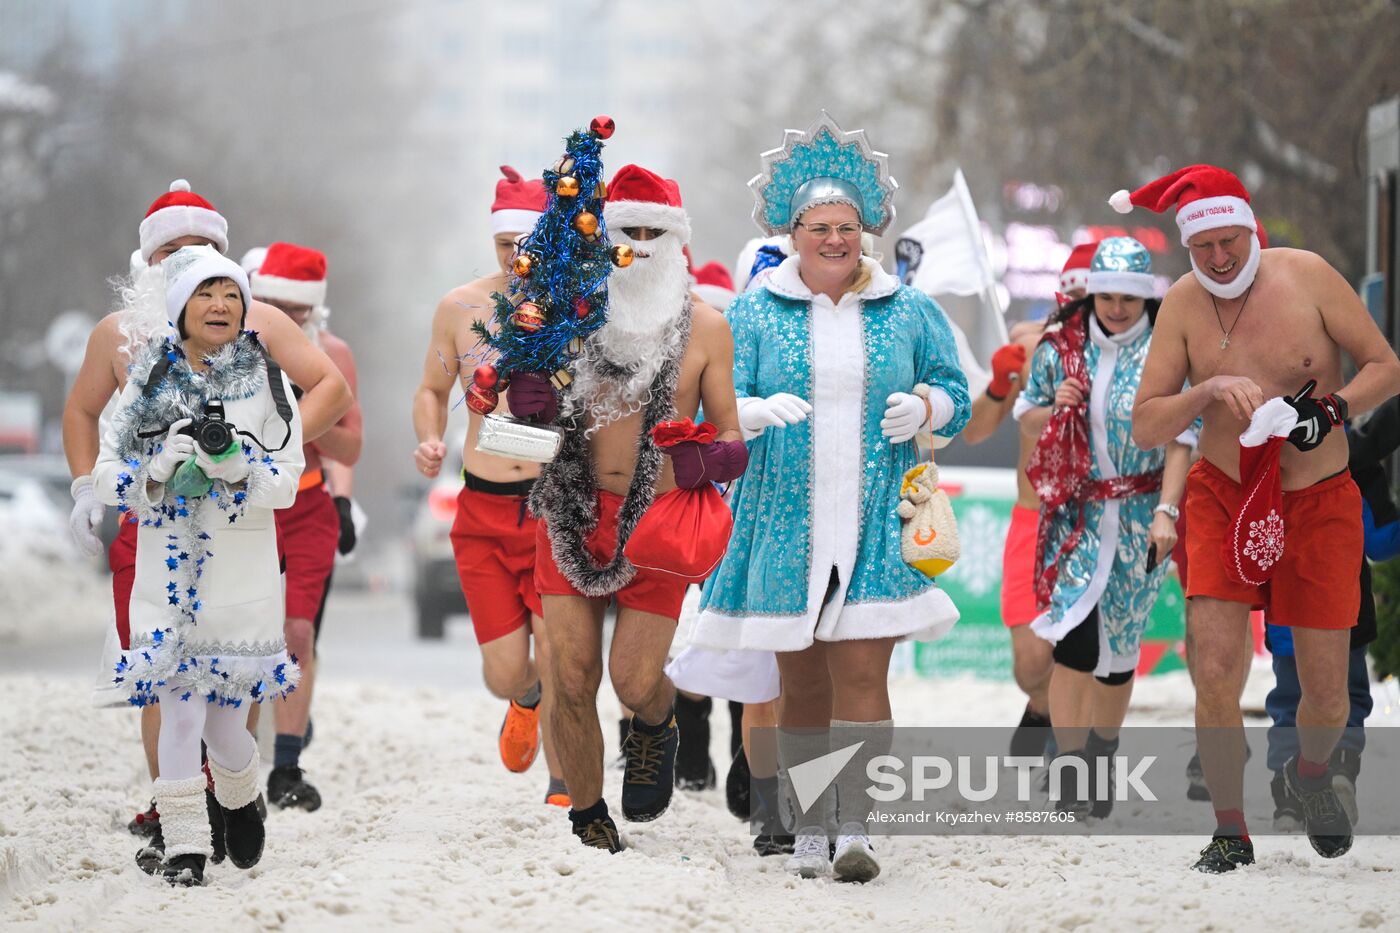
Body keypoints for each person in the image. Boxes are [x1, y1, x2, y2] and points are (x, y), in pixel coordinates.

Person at [687, 114, 971, 882]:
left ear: (864, 232)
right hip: (785, 519)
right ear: (794, 230)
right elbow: (712, 404)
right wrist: (743, 414)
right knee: (801, 680)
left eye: (847, 227)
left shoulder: (907, 309)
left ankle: (856, 824)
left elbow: (956, 389)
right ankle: (810, 823)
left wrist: (929, 407)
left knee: (863, 675)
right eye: (820, 227)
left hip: (877, 517)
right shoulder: (750, 311)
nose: (835, 241)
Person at [63, 179, 352, 868]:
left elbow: (330, 390)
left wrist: (258, 454)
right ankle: (176, 822)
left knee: (228, 678)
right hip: (153, 530)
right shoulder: (122, 335)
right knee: (165, 681)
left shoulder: (258, 327)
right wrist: (89, 487)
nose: (188, 260)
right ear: (148, 261)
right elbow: (83, 414)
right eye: (173, 251)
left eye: (203, 250)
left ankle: (233, 791)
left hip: (239, 528)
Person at [1127, 164, 1400, 871]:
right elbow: (1146, 424)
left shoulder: (1307, 275)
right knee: (1215, 666)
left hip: (1319, 498)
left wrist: (1329, 410)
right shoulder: (1183, 304)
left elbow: (1385, 365)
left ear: (1253, 228)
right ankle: (1228, 827)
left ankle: (1308, 775)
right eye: (1203, 247)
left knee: (1327, 695)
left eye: (1230, 241)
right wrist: (1208, 388)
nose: (1219, 258)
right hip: (1221, 495)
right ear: (1187, 248)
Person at [513, 164, 744, 852]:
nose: (640, 245)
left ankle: (655, 726)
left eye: (654, 232)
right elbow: (522, 409)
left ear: (676, 242)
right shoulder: (569, 317)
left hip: (661, 519)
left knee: (635, 680)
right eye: (626, 232)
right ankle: (588, 814)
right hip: (572, 508)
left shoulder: (706, 327)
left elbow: (733, 434)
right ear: (602, 239)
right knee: (571, 673)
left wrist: (709, 459)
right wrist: (528, 400)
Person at [91, 246, 305, 886]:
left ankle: (242, 796)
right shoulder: (146, 384)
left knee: (223, 722)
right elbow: (106, 476)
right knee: (179, 709)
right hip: (164, 575)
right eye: (206, 292)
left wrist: (239, 467)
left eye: (232, 293)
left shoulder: (268, 380)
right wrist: (153, 473)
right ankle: (186, 844)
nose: (221, 304)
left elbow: (289, 480)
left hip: (240, 576)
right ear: (180, 307)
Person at [1013, 237, 1191, 816]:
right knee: (1074, 640)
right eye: (1106, 297)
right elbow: (1027, 417)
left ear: (1147, 299)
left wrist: (1168, 511)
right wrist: (1056, 406)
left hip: (1141, 518)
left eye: (1129, 299)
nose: (1116, 308)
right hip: (1076, 516)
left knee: (1119, 653)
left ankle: (1102, 753)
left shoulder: (1167, 351)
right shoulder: (1060, 347)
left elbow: (1182, 439)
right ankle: (1069, 767)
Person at [412, 166, 570, 806]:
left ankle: (567, 784)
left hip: (552, 504)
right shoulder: (460, 307)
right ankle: (523, 700)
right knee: (506, 671)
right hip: (482, 507)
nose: (517, 257)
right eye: (507, 245)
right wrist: (429, 438)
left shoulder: (577, 308)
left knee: (562, 656)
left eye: (529, 245)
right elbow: (431, 388)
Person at [962, 241, 1100, 756]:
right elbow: (975, 433)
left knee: (1089, 655)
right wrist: (999, 385)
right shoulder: (1027, 346)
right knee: (1031, 663)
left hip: (1095, 521)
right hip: (1033, 520)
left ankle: (1075, 755)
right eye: (1078, 297)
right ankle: (1040, 707)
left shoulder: (1136, 356)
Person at [250, 242, 363, 810]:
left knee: (298, 634)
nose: (283, 319)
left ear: (312, 311)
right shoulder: (235, 343)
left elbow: (352, 443)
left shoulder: (333, 353)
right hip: (247, 509)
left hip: (309, 506)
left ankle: (288, 765)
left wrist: (305, 415)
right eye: (272, 305)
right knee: (245, 636)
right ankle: (235, 760)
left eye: (295, 311)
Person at [1266, 394, 1399, 829]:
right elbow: (1381, 544)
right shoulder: (1352, 460)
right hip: (1346, 610)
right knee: (1347, 699)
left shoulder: (1268, 460)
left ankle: (1286, 799)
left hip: (1285, 613)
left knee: (1290, 701)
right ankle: (1340, 769)